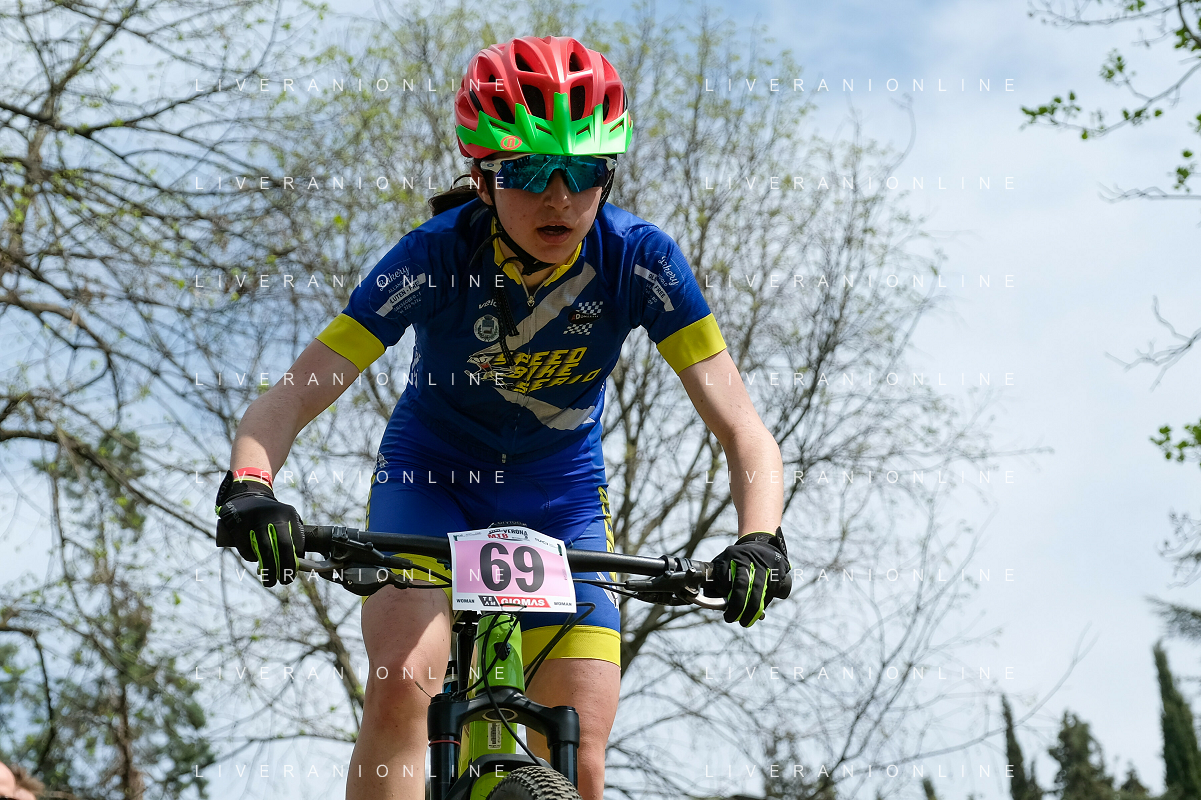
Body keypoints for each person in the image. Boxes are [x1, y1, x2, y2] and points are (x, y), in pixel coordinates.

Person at [215, 35, 791, 800]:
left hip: (561, 502)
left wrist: (759, 538)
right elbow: (293, 394)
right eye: (525, 171)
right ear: (481, 180)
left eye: (582, 172)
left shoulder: (640, 259)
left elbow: (741, 427)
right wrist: (251, 486)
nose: (557, 197)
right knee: (402, 686)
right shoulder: (432, 256)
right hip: (430, 487)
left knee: (580, 755)